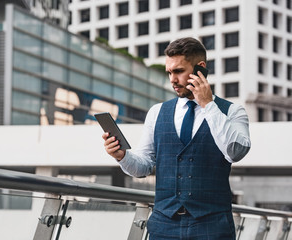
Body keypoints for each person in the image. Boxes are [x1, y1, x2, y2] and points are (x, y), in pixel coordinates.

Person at [102, 37, 251, 239]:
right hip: (164, 226)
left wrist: (208, 105)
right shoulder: (157, 112)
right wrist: (122, 156)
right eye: (169, 72)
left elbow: (235, 152)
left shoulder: (233, 112)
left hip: (212, 227)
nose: (172, 79)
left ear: (201, 68)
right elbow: (143, 167)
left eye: (179, 71)